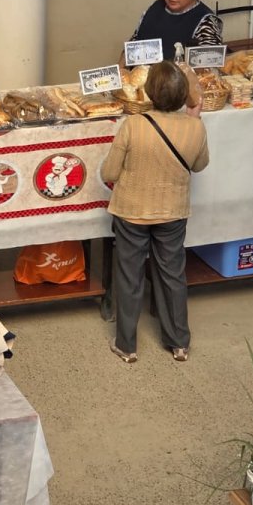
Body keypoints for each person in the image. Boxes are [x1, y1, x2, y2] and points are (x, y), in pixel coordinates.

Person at [100, 60, 209, 364]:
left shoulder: (133, 125)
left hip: (131, 211)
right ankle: (179, 343)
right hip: (173, 211)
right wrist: (194, 120)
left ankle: (126, 345)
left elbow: (110, 172)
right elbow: (200, 165)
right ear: (183, 94)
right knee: (172, 274)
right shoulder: (195, 127)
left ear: (149, 92)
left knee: (129, 276)